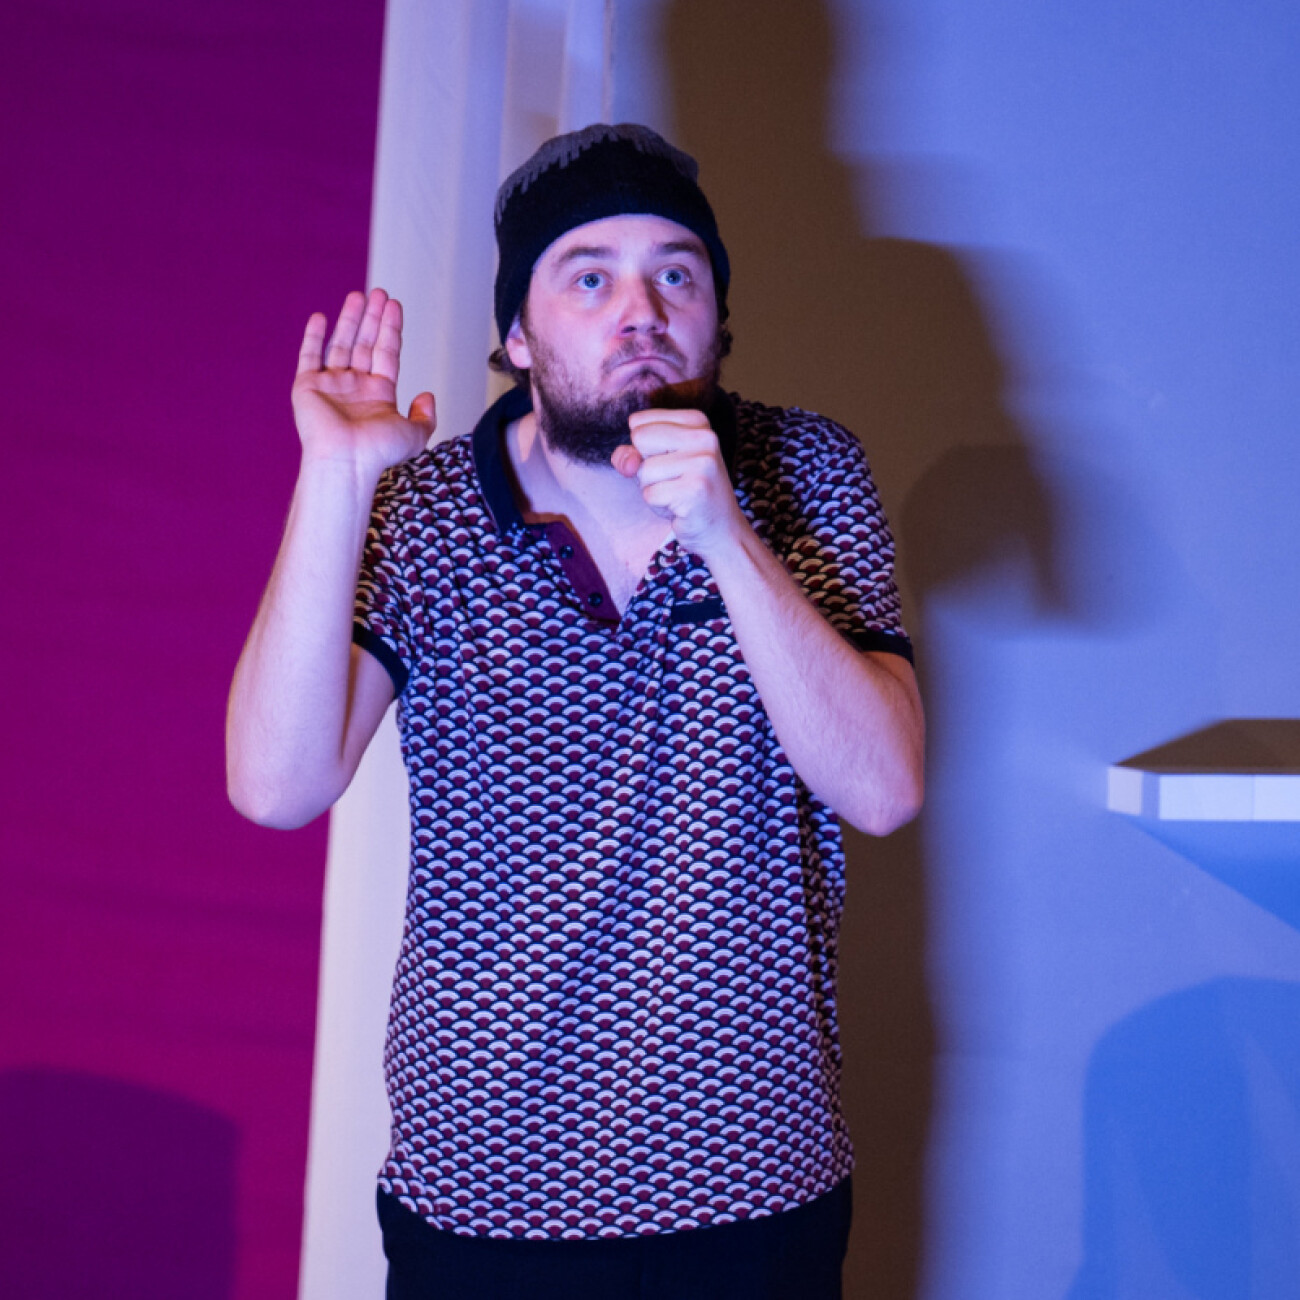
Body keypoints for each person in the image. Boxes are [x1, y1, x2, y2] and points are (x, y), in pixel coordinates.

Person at [227, 123, 924, 1299]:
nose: (640, 310)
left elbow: (884, 788)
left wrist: (725, 535)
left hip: (753, 1186)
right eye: (589, 278)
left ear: (717, 312)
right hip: (483, 1196)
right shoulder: (425, 511)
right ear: (518, 333)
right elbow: (276, 785)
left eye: (676, 274)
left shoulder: (806, 472)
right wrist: (336, 481)